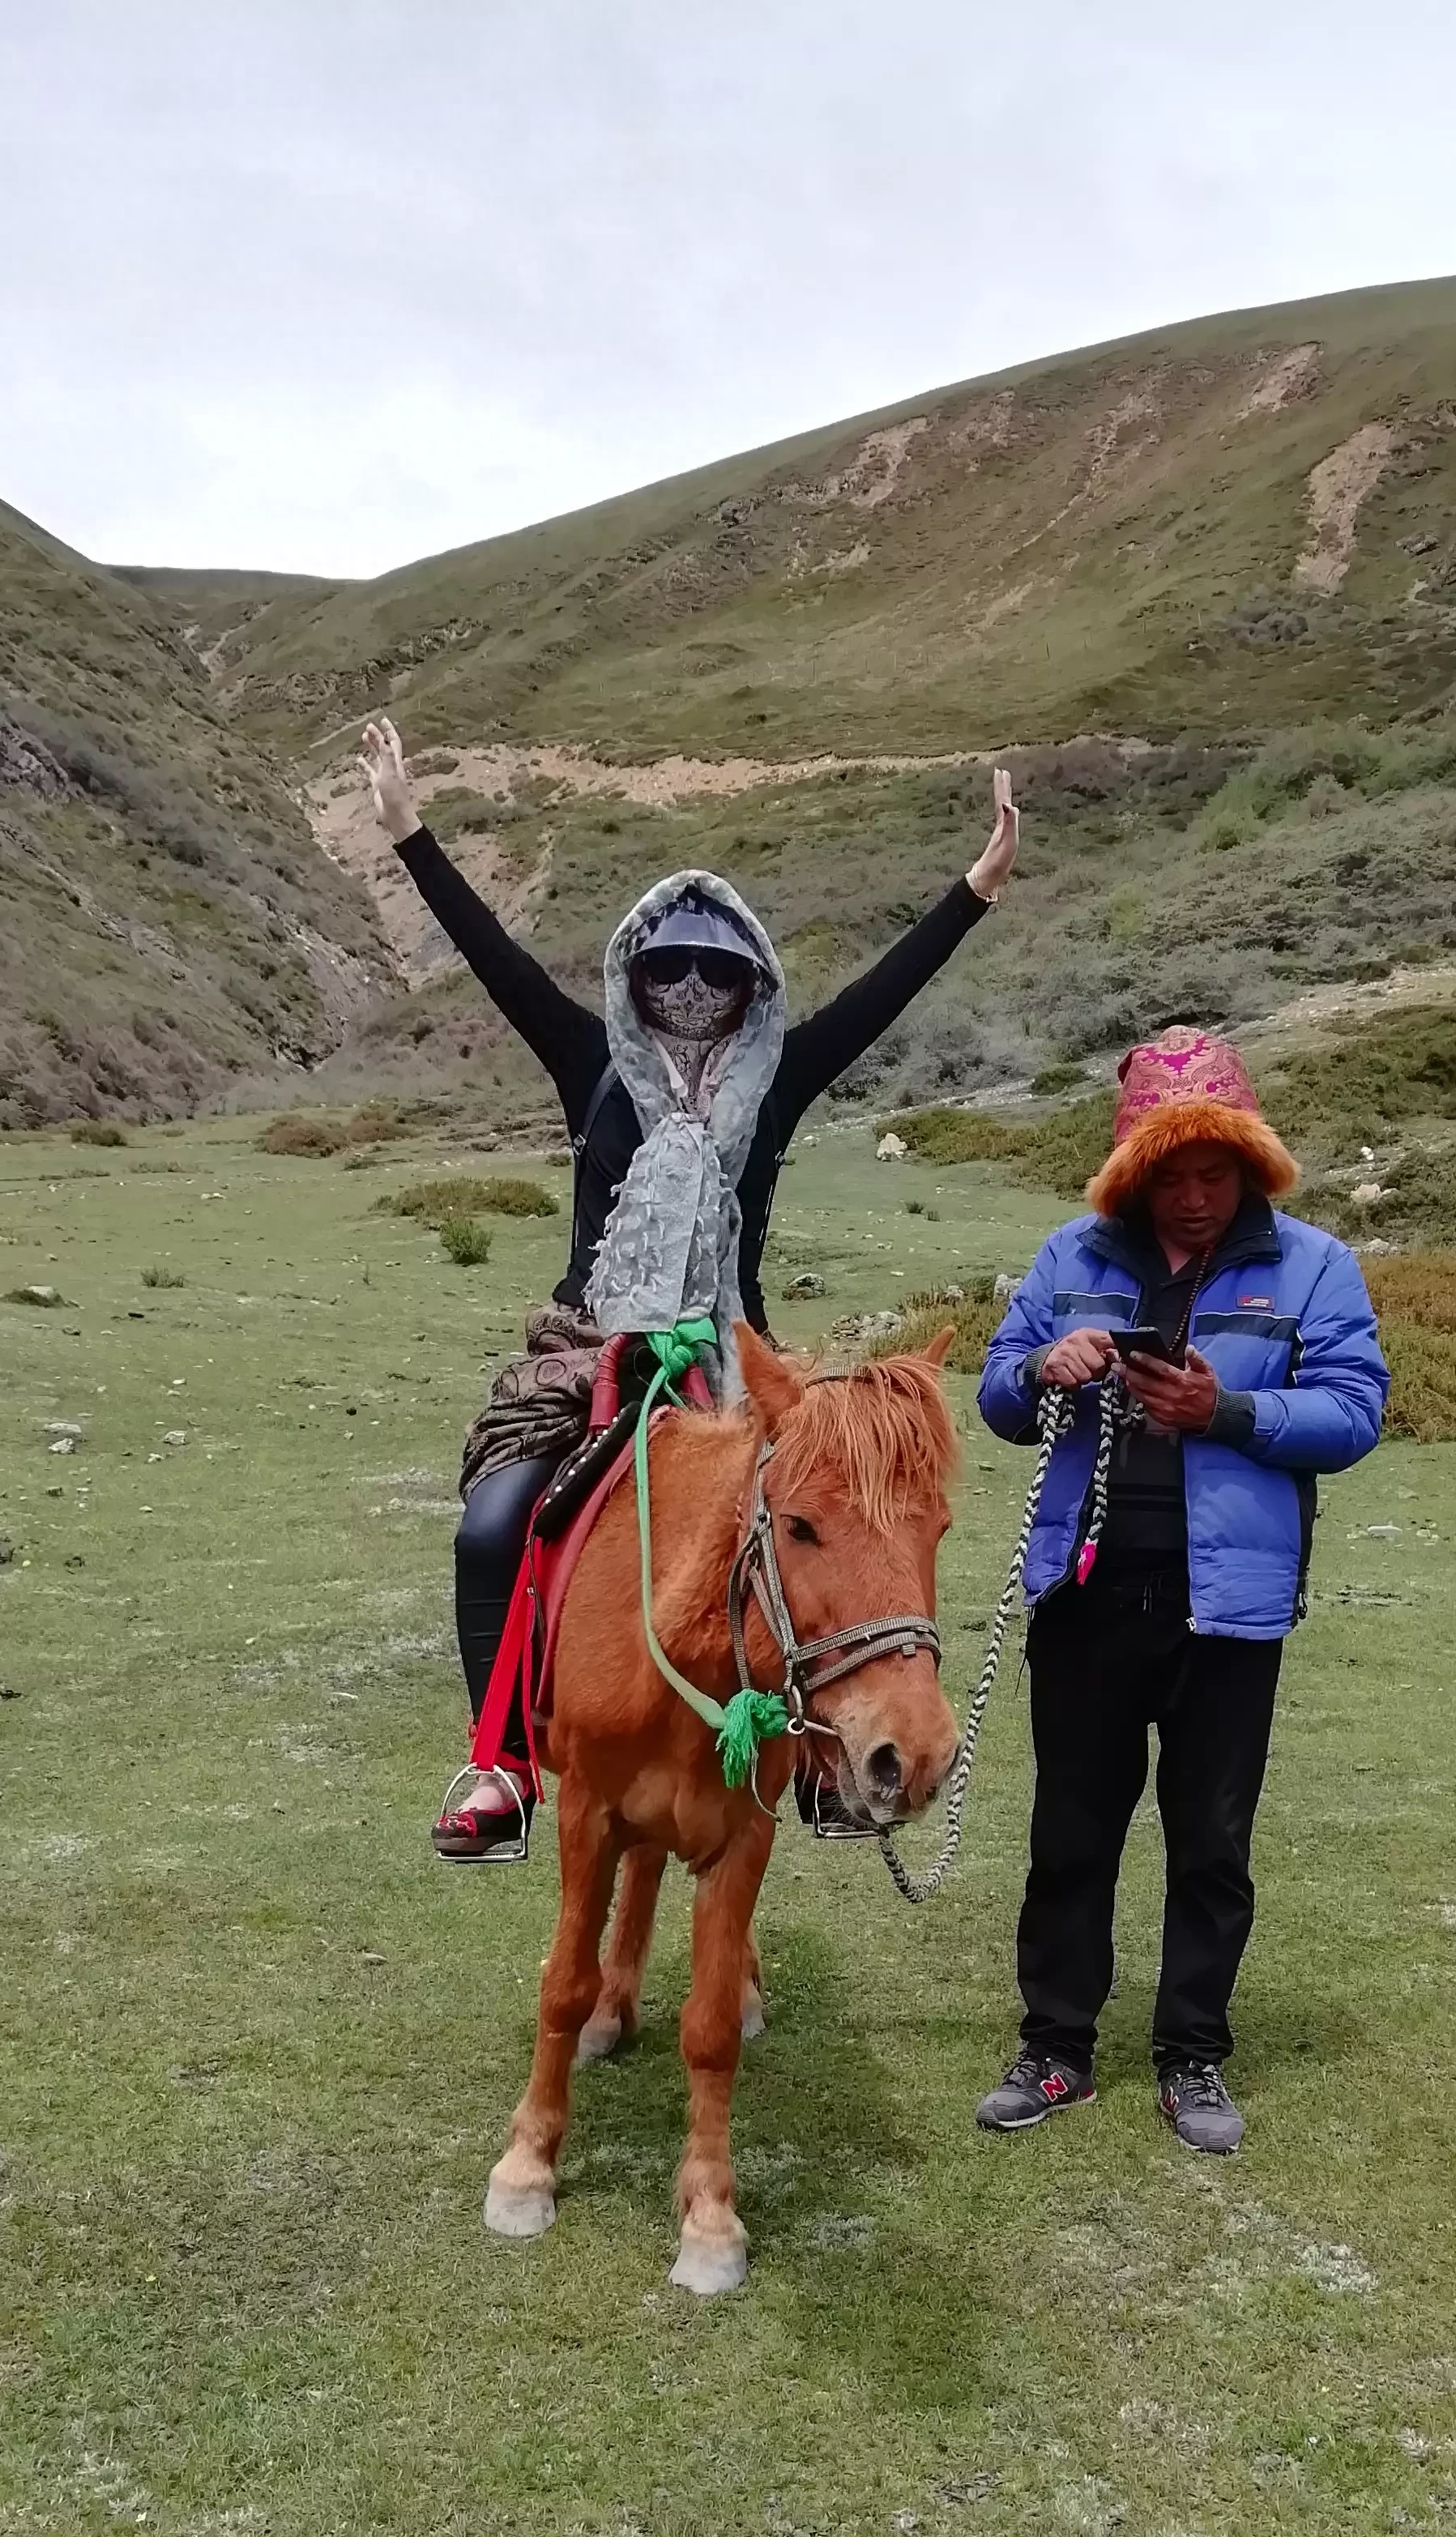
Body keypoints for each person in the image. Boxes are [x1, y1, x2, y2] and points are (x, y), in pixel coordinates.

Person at [352, 716, 1019, 1860]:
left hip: (731, 1363)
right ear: (635, 975)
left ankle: (818, 1762)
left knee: (813, 1549)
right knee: (494, 1525)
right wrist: (409, 833)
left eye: (719, 971)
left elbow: (882, 994)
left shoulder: (784, 1077)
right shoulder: (589, 1062)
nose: (695, 990)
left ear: (751, 980)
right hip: (590, 1350)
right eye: (672, 969)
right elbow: (494, 960)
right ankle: (505, 1763)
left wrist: (976, 889)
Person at [971, 1028, 1388, 2150]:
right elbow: (997, 1400)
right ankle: (1057, 2049)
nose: (1197, 1198)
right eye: (1174, 1175)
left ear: (1250, 1165)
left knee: (1210, 1841)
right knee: (1070, 1832)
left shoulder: (1314, 1266)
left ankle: (1193, 2057)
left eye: (1217, 1173)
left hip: (1232, 1607)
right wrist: (1036, 1370)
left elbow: (1355, 1413)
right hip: (1087, 1593)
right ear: (1135, 1173)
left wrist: (1228, 1413)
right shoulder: (1072, 1259)